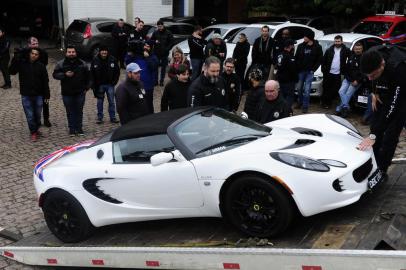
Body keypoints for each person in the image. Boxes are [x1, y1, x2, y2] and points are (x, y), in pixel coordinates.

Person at [358, 45, 406, 179]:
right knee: (375, 127)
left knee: (390, 134)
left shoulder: (399, 68)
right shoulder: (370, 56)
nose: (370, 78)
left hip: (401, 95)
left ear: (382, 65)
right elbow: (369, 78)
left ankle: (382, 170)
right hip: (383, 91)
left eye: (373, 75)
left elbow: (394, 105)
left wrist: (374, 134)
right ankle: (372, 164)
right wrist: (374, 92)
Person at [9, 48, 49, 141]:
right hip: (26, 94)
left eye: (36, 54)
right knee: (30, 115)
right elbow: (11, 71)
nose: (34, 55)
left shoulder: (41, 66)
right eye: (32, 53)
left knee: (38, 115)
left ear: (38, 56)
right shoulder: (22, 64)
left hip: (39, 94)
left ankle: (36, 128)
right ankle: (33, 132)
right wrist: (15, 58)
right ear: (29, 54)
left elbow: (45, 81)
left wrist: (47, 95)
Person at [53, 46, 90, 136]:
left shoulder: (82, 63)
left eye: (73, 52)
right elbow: (55, 75)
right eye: (69, 52)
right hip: (67, 92)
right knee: (70, 111)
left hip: (80, 92)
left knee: (79, 110)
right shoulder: (61, 64)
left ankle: (79, 128)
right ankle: (72, 129)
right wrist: (64, 75)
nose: (71, 53)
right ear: (66, 53)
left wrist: (86, 88)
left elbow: (89, 77)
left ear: (76, 53)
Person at [90, 45, 120, 124]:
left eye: (105, 50)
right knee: (100, 102)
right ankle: (100, 118)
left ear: (107, 51)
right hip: (99, 85)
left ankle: (113, 117)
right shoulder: (95, 60)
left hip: (110, 85)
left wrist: (114, 82)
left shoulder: (113, 59)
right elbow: (92, 73)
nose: (104, 52)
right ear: (100, 51)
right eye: (102, 50)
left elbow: (117, 72)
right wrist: (93, 85)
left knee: (112, 102)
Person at [294, 29, 323, 113]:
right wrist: (298, 68)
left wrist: (313, 69)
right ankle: (300, 102)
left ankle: (305, 106)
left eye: (305, 36)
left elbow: (319, 59)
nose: (304, 38)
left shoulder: (317, 47)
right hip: (301, 71)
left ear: (310, 37)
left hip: (310, 72)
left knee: (307, 90)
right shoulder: (300, 46)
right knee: (299, 88)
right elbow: (296, 58)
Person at [25, 36, 51, 127]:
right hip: (31, 82)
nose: (36, 46)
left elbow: (45, 62)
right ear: (29, 45)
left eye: (37, 44)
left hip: (42, 78)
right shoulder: (26, 54)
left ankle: (46, 118)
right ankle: (36, 120)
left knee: (45, 101)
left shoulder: (42, 53)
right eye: (33, 44)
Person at [336, 42, 364, 118]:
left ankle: (340, 109)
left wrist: (357, 81)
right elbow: (346, 70)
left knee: (348, 94)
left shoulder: (364, 59)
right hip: (348, 79)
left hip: (357, 81)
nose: (358, 50)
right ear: (354, 49)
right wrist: (350, 79)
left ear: (362, 49)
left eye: (359, 49)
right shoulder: (351, 57)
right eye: (356, 49)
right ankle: (346, 107)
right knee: (341, 91)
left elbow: (364, 73)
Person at [321, 35, 350, 109]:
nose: (337, 43)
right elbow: (324, 61)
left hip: (338, 73)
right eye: (336, 41)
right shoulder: (329, 50)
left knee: (335, 89)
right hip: (328, 72)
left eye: (338, 41)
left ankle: (331, 101)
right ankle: (326, 103)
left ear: (342, 41)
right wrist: (323, 70)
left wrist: (346, 69)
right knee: (326, 88)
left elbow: (350, 59)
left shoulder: (346, 50)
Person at [135, 40, 159, 113]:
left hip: (148, 86)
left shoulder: (154, 57)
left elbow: (153, 67)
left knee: (148, 104)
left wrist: (148, 58)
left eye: (148, 46)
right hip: (139, 85)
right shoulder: (138, 56)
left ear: (151, 48)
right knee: (140, 103)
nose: (146, 47)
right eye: (145, 45)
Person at [275, 39, 298, 109]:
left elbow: (277, 66)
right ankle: (286, 112)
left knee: (281, 96)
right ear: (290, 46)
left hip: (280, 79)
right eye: (293, 45)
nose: (293, 46)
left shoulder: (279, 55)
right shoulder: (290, 56)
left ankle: (280, 109)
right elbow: (293, 70)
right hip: (289, 81)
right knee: (289, 97)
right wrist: (296, 78)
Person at [151, 20, 174, 86]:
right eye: (158, 26)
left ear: (163, 25)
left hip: (164, 53)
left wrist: (167, 49)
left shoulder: (168, 33)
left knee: (163, 68)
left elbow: (172, 42)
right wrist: (155, 41)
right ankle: (155, 81)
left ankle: (161, 81)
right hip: (156, 53)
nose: (159, 28)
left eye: (160, 26)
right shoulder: (155, 32)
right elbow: (151, 40)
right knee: (156, 67)